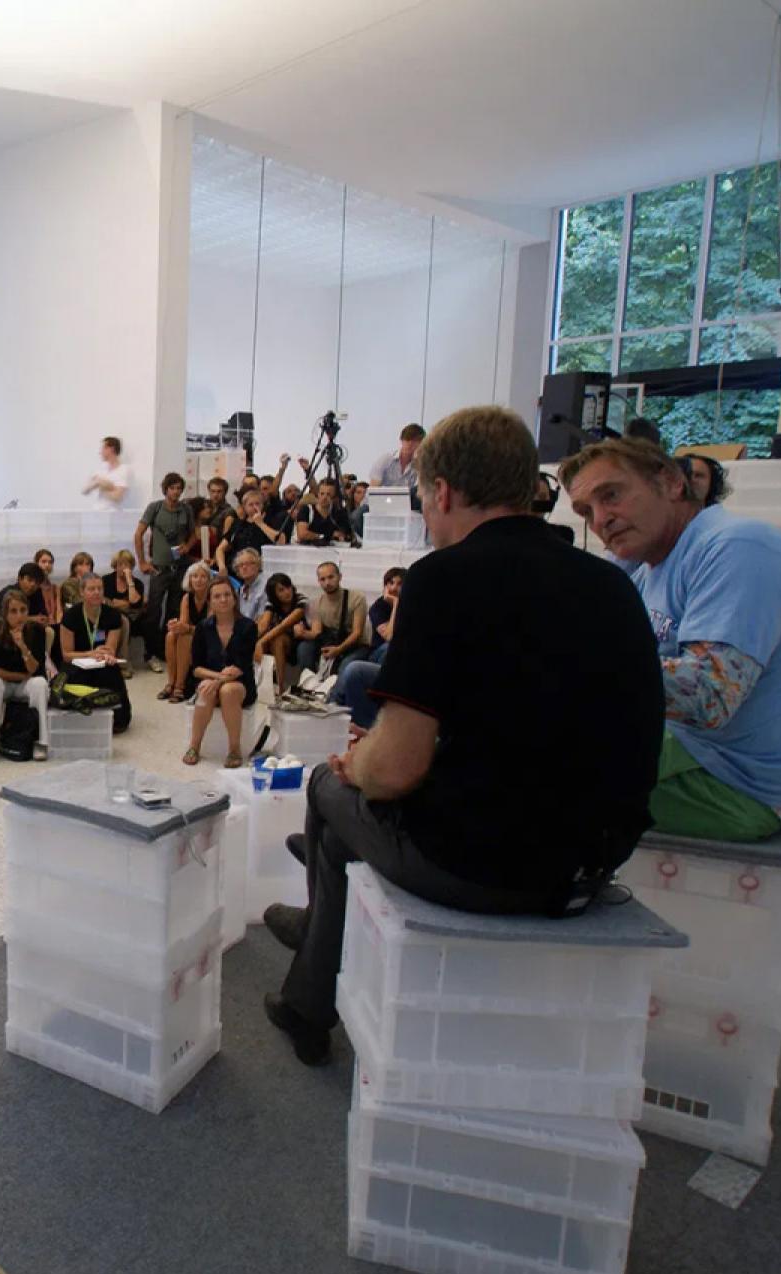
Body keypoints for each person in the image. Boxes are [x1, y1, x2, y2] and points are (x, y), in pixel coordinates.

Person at [266, 406, 662, 1066]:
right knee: (345, 820)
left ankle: (310, 993)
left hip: (484, 868)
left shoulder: (443, 579)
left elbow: (394, 770)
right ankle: (312, 954)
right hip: (587, 866)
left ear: (441, 491)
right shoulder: (611, 584)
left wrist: (360, 760)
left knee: (328, 786)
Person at [561, 437, 781, 840]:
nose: (601, 519)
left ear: (672, 482)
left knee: (511, 770)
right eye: (587, 511)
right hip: (695, 752)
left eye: (612, 495)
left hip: (735, 783)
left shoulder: (738, 547)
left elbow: (709, 696)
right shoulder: (646, 562)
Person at [182, 578, 259, 769]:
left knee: (228, 691)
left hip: (240, 683)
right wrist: (217, 679)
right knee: (205, 689)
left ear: (234, 598)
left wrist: (218, 682)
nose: (223, 600)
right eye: (217, 596)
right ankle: (194, 745)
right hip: (211, 678)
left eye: (227, 595)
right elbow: (197, 668)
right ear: (210, 601)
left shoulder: (248, 626)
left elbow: (240, 666)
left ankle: (234, 748)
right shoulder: (202, 628)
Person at [0, 589, 50, 763]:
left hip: (26, 684)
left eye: (23, 610)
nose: (19, 616)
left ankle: (40, 741)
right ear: (4, 613)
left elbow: (35, 669)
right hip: (3, 683)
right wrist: (22, 675)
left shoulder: (37, 631)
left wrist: (23, 647)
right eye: (13, 611)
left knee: (40, 684)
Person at [134, 473, 194, 671]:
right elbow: (139, 533)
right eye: (172, 488)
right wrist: (142, 561)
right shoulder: (155, 507)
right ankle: (150, 653)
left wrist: (187, 545)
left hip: (180, 567)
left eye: (179, 488)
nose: (176, 492)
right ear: (165, 489)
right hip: (159, 568)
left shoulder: (186, 509)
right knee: (153, 611)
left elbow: (193, 534)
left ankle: (165, 650)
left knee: (174, 611)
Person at [58, 574, 132, 733]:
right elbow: (66, 654)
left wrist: (106, 654)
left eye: (100, 588)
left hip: (101, 662)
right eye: (91, 589)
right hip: (77, 664)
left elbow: (110, 648)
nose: (96, 592)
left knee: (110, 674)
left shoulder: (112, 614)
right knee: (77, 681)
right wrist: (89, 654)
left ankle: (115, 718)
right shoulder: (71, 616)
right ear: (82, 592)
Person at [293, 561, 368, 678]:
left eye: (331, 577)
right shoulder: (317, 603)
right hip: (330, 642)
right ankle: (308, 685)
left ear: (340, 577)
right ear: (318, 582)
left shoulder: (356, 598)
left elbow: (357, 633)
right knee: (304, 648)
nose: (327, 583)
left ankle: (337, 695)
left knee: (346, 666)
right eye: (322, 579)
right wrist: (301, 632)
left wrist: (338, 649)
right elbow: (316, 633)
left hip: (355, 646)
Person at [159, 562, 213, 703]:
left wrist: (187, 628)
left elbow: (209, 629)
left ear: (209, 580)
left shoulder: (212, 597)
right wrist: (175, 626)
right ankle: (171, 682)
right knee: (171, 635)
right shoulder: (187, 598)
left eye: (203, 577)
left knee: (185, 638)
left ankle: (180, 686)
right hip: (193, 633)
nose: (198, 580)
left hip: (210, 638)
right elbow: (184, 623)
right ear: (189, 579)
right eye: (195, 576)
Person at [254, 573, 308, 695]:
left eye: (288, 587)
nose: (287, 592)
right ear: (274, 594)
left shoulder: (301, 600)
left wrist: (260, 641)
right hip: (274, 638)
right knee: (259, 637)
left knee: (277, 639)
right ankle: (260, 683)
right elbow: (263, 625)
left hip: (297, 642)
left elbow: (284, 626)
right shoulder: (272, 603)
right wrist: (254, 640)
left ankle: (280, 686)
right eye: (281, 590)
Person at [216, 489, 283, 573]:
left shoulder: (270, 521)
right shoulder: (237, 524)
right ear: (244, 507)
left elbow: (281, 541)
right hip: (237, 568)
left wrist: (260, 523)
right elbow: (220, 549)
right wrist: (222, 566)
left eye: (257, 504)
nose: (255, 507)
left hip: (260, 568)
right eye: (251, 504)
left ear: (262, 505)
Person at [105, 550, 145, 673]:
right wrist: (125, 604)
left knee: (130, 620)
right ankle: (123, 663)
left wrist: (129, 581)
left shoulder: (137, 583)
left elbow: (135, 603)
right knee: (122, 620)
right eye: (120, 565)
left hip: (133, 615)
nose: (123, 568)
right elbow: (107, 603)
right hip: (109, 614)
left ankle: (123, 661)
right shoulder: (106, 580)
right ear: (115, 566)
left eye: (127, 565)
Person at [294, 480, 358, 546]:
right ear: (318, 494)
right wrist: (325, 536)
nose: (324, 497)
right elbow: (302, 534)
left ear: (334, 497)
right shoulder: (307, 510)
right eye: (322, 493)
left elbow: (346, 534)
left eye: (328, 494)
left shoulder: (339, 513)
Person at [365, 566, 405, 663]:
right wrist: (396, 604)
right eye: (391, 583)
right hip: (379, 653)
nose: (394, 588)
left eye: (399, 584)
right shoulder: (377, 608)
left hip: (403, 650)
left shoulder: (410, 605)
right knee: (392, 646)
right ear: (385, 586)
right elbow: (389, 637)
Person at [369, 423, 426, 491]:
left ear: (421, 443)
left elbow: (421, 492)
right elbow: (373, 489)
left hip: (406, 500)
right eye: (407, 440)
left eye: (414, 441)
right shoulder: (386, 459)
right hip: (381, 499)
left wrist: (419, 460)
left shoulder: (419, 465)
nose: (410, 444)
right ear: (401, 441)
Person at [82, 435, 133, 510]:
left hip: (113, 515)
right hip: (97, 512)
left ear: (110, 449)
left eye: (103, 448)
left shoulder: (124, 470)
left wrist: (102, 486)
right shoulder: (100, 470)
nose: (100, 452)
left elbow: (117, 497)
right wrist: (99, 483)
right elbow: (84, 491)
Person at [229, 548, 269, 621]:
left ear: (258, 565)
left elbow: (262, 620)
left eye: (248, 563)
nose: (244, 567)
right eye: (240, 565)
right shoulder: (240, 590)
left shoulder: (265, 586)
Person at [205, 476, 237, 545]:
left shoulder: (229, 511)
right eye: (212, 491)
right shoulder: (203, 506)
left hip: (217, 546)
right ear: (209, 491)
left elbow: (226, 537)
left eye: (219, 491)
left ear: (225, 492)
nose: (215, 495)